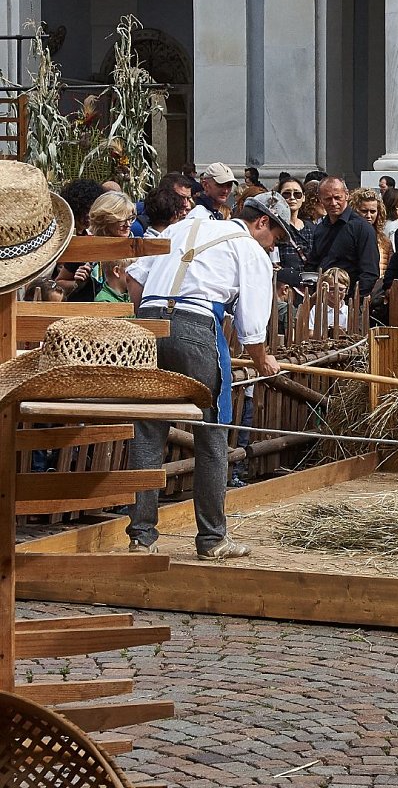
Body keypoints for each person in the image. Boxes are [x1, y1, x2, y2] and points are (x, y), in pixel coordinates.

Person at [125, 191, 293, 560]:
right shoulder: (249, 249)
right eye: (276, 237)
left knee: (147, 430)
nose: (273, 246)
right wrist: (263, 361)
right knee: (212, 432)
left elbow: (134, 277)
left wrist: (155, 318)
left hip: (148, 325)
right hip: (197, 327)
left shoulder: (184, 226)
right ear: (261, 222)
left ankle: (141, 536)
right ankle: (213, 538)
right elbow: (252, 324)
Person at [311, 176, 379, 298]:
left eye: (337, 197)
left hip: (349, 302)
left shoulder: (362, 228)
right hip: (322, 300)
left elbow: (370, 272)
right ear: (320, 200)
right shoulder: (320, 228)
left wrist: (352, 302)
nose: (333, 203)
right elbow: (313, 263)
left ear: (346, 195)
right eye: (328, 199)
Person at [350, 187, 393, 275]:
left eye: (373, 211)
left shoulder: (385, 241)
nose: (368, 215)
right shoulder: (348, 237)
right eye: (364, 211)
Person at [275, 177, 314, 273]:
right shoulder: (275, 227)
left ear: (303, 197)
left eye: (297, 194)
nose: (292, 198)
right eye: (286, 194)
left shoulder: (311, 228)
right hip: (284, 283)